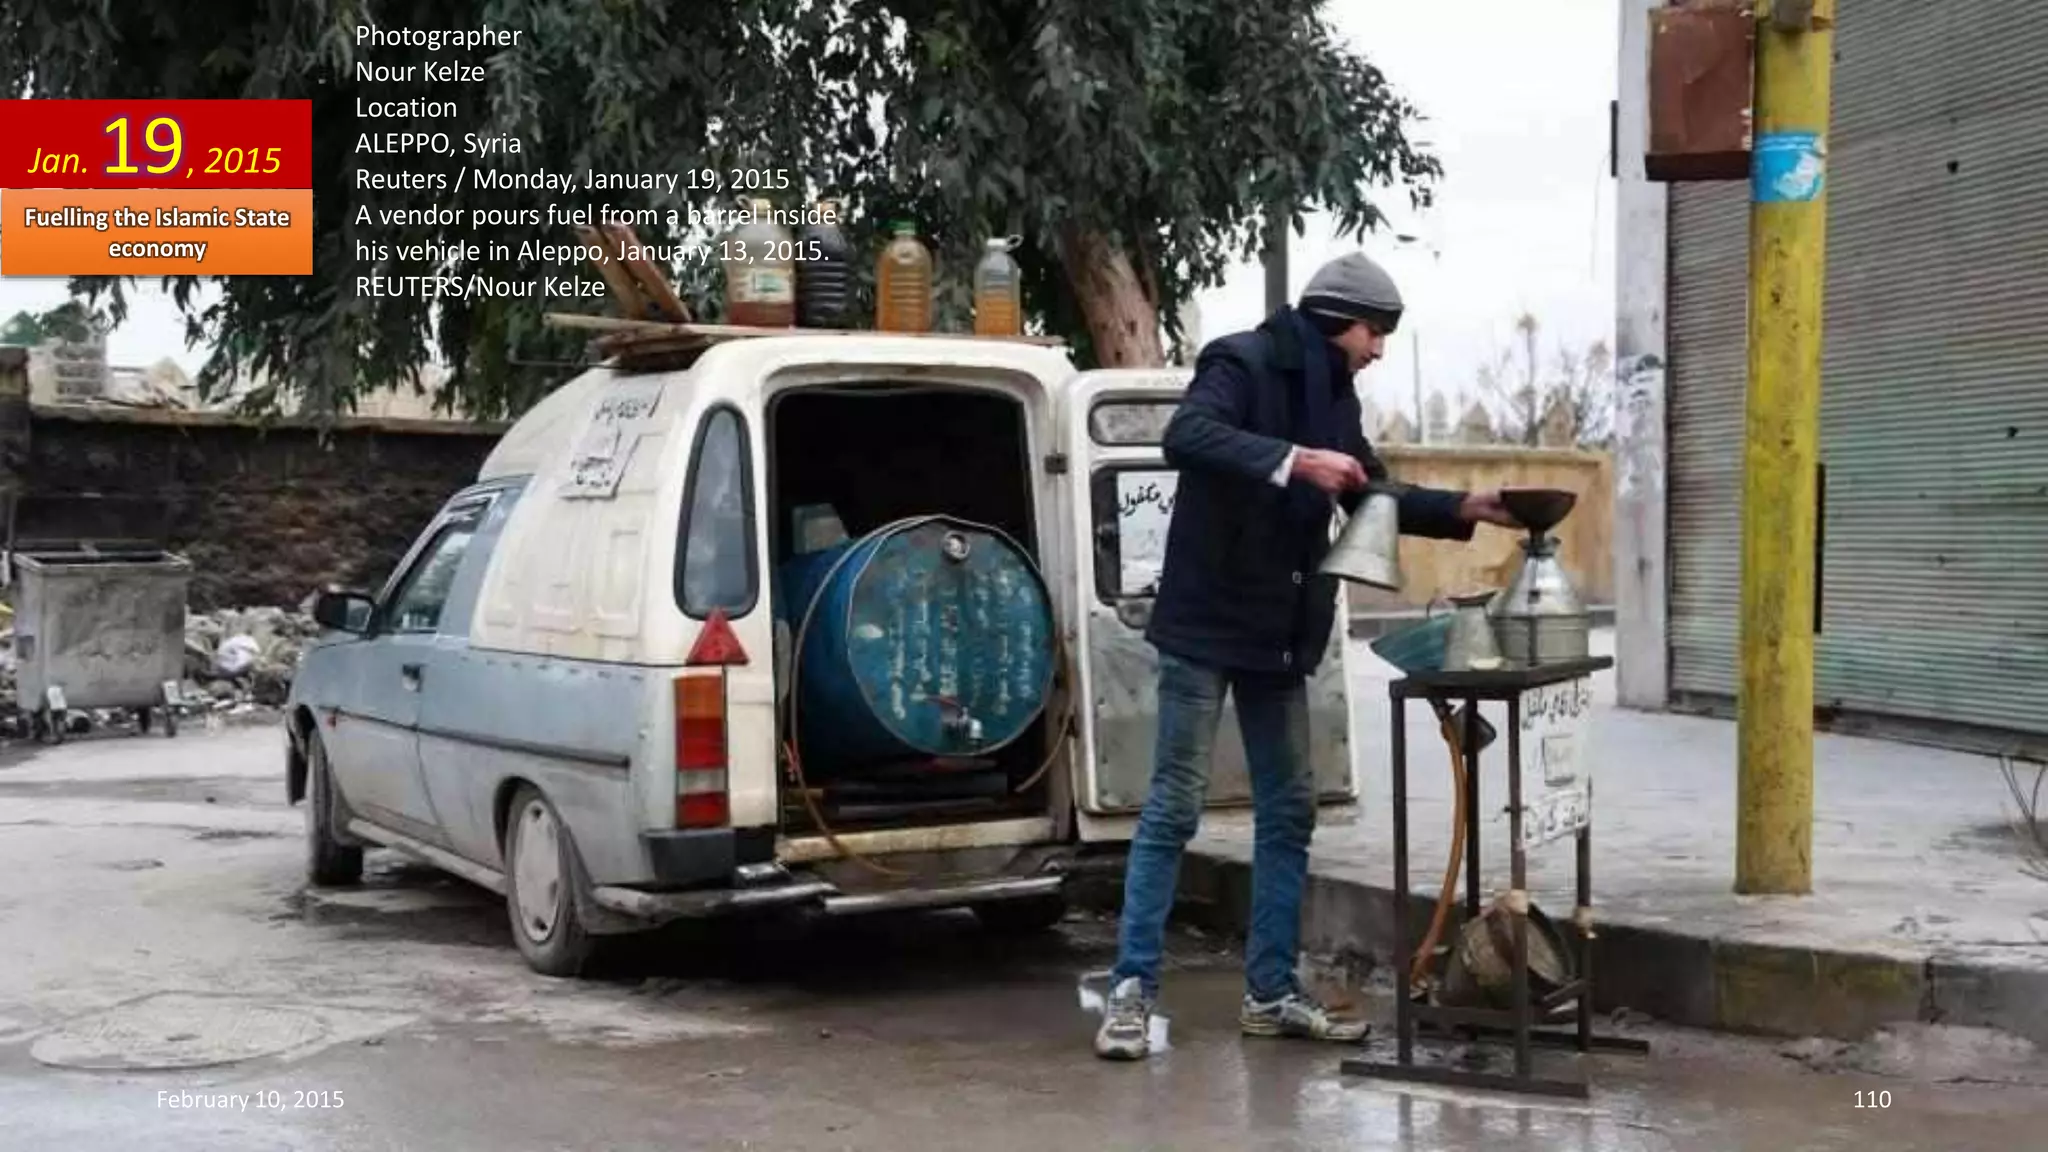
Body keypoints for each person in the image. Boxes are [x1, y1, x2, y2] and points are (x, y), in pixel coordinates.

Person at [1094, 252, 1517, 1061]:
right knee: (1173, 808)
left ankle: (1271, 993)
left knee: (1289, 810)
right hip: (1205, 623)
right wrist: (1293, 461)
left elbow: (1370, 494)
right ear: (1336, 322)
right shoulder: (1240, 361)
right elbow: (1189, 435)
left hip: (1279, 634)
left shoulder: (1336, 399)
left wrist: (1464, 507)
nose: (1379, 350)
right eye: (1374, 333)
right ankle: (1130, 992)